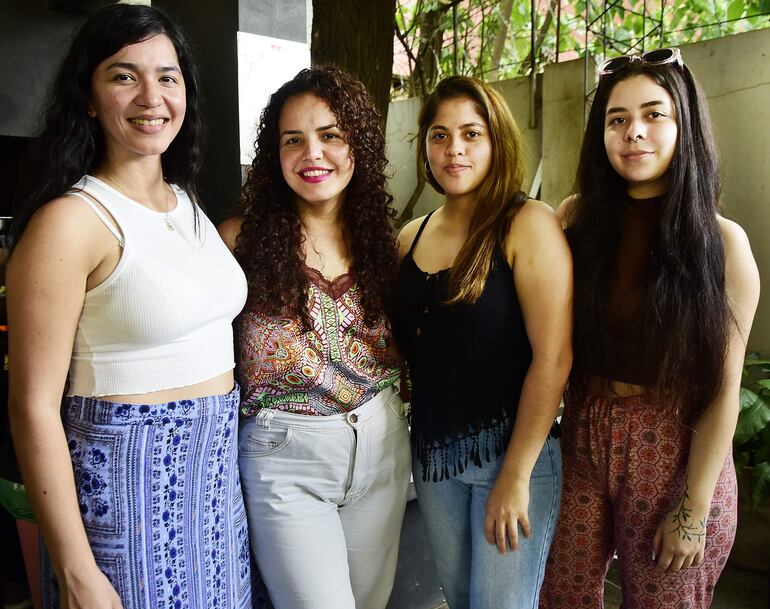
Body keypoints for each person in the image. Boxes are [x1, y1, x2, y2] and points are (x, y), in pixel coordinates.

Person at [7, 5, 252, 608]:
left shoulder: (187, 204)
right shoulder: (71, 222)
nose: (152, 95)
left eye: (168, 76)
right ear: (88, 96)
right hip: (127, 498)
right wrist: (76, 571)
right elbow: (32, 406)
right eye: (124, 75)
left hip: (215, 490)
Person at [539, 48, 760, 609]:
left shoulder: (723, 244)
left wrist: (693, 509)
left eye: (654, 114)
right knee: (558, 593)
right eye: (617, 119)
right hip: (583, 438)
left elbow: (724, 390)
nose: (634, 132)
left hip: (675, 450)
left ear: (685, 125)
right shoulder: (574, 220)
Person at [218, 66, 410, 609]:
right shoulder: (238, 243)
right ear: (273, 154)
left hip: (382, 442)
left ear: (358, 146)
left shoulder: (383, 246)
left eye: (330, 135)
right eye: (293, 140)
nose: (312, 154)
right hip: (285, 458)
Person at [391, 76, 572, 609]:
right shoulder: (410, 237)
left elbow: (554, 357)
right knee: (460, 599)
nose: (455, 149)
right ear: (424, 145)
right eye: (440, 135)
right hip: (434, 460)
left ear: (497, 141)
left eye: (472, 133)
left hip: (514, 457)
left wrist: (516, 475)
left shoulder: (527, 224)